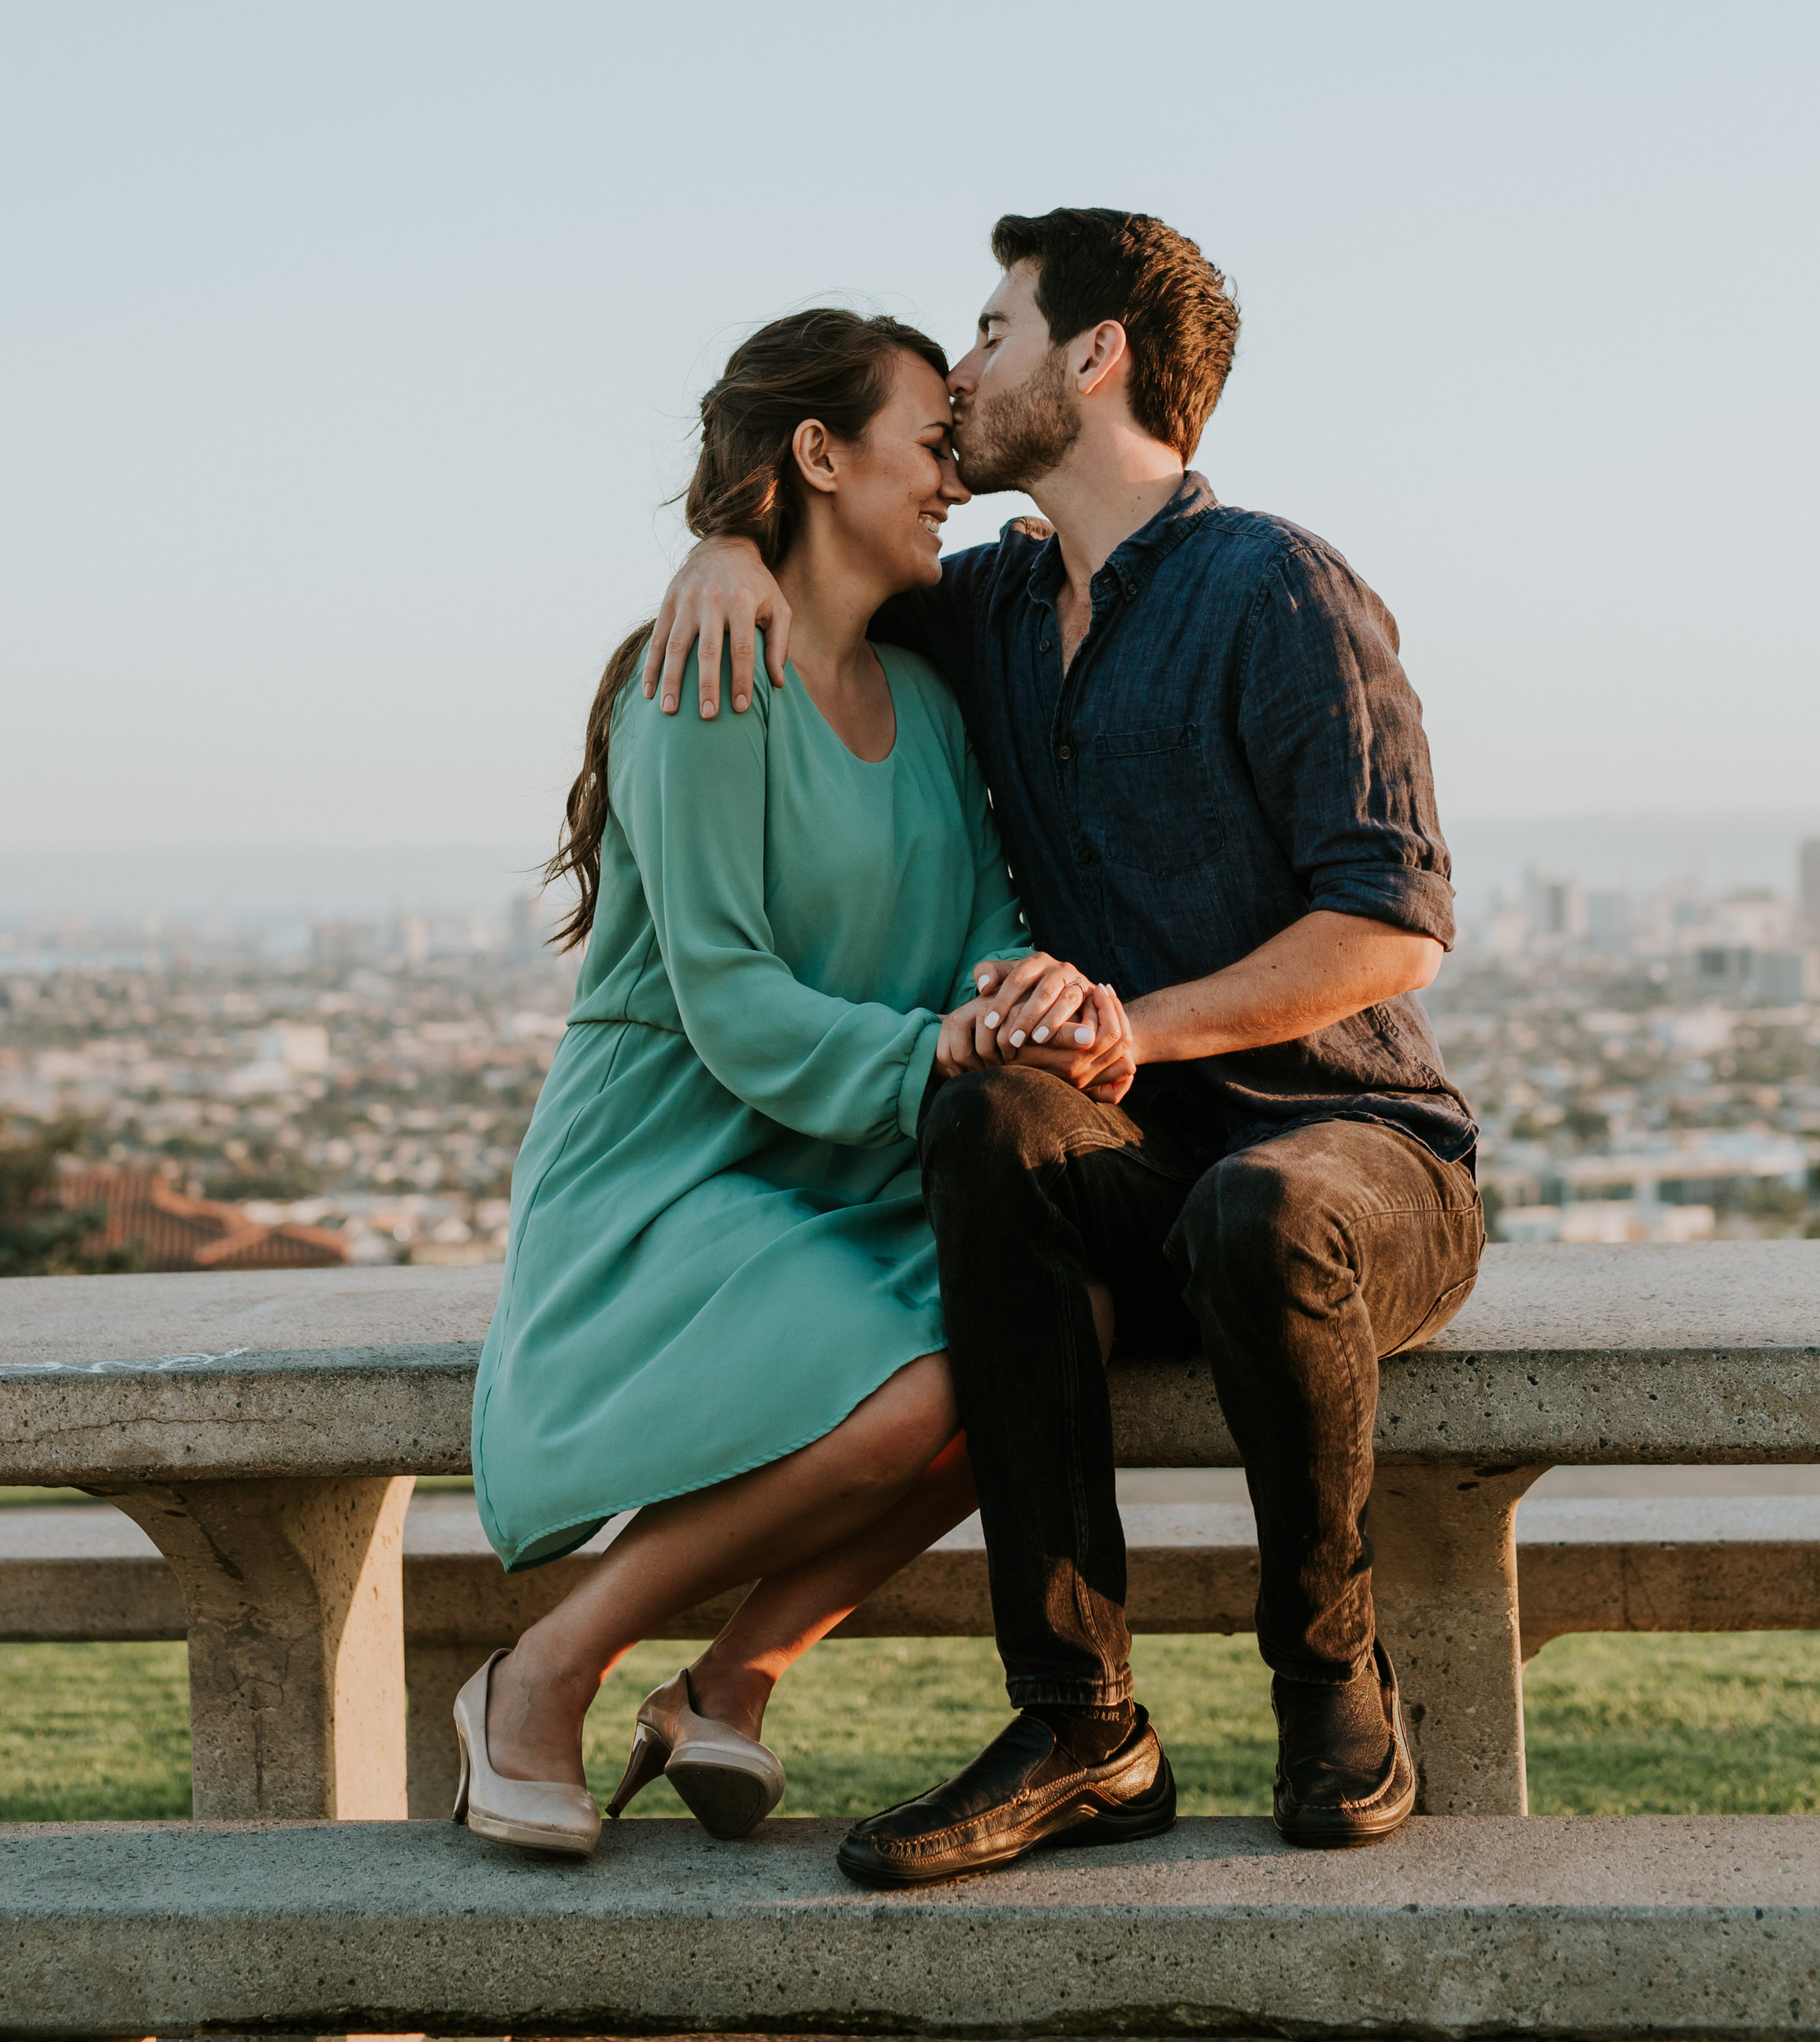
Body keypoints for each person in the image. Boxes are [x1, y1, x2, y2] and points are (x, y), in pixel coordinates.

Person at [645, 206, 1484, 1878]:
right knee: (988, 1120)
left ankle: (1328, 1680)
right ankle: (1082, 1727)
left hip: (1357, 1166)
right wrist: (723, 543)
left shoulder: (1276, 587)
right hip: (1139, 1170)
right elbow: (827, 573)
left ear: (1093, 359)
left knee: (1266, 1206)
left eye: (991, 331)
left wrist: (1134, 1022)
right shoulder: (994, 610)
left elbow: (1389, 922)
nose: (959, 379)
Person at [462, 303, 1174, 1866]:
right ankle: (540, 1675)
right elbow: (725, 999)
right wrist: (936, 1051)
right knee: (930, 1383)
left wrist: (1025, 1005)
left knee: (1055, 1328)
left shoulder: (922, 701)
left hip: (843, 1162)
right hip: (684, 1169)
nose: (953, 483)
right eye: (930, 448)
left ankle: (727, 1682)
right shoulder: (701, 675)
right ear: (815, 454)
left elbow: (979, 933)